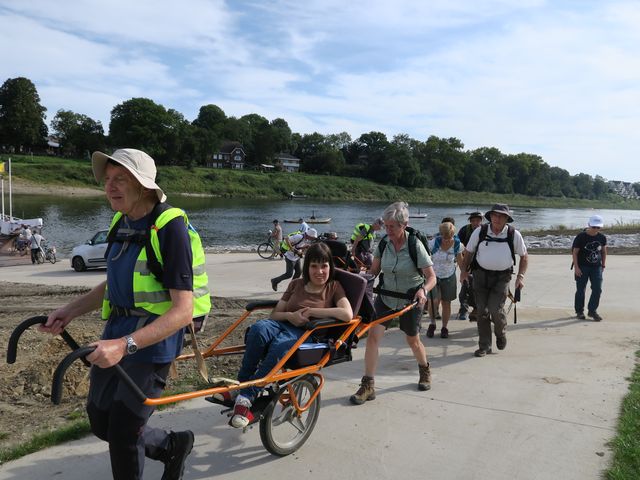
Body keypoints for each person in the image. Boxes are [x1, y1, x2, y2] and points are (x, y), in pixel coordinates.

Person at [39, 148, 199, 480]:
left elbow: (184, 311)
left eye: (120, 179)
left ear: (143, 185)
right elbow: (112, 283)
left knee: (125, 432)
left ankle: (163, 447)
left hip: (153, 340)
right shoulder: (120, 221)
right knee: (101, 421)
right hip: (117, 331)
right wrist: (69, 310)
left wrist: (123, 346)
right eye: (107, 179)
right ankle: (172, 445)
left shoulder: (169, 227)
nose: (109, 186)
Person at [228, 242, 353, 427]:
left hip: (308, 333)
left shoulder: (334, 287)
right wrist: (291, 316)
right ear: (307, 266)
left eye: (324, 266)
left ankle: (248, 394)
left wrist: (311, 312)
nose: (320, 271)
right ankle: (242, 385)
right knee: (258, 330)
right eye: (314, 266)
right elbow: (275, 315)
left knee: (280, 345)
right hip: (284, 323)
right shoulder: (296, 284)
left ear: (330, 266)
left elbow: (347, 314)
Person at [350, 202, 437, 405]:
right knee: (373, 337)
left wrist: (423, 290)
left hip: (411, 299)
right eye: (386, 226)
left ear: (404, 225)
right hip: (386, 297)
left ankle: (424, 369)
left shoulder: (415, 244)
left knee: (412, 341)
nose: (387, 230)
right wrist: (361, 275)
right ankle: (368, 385)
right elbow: (373, 272)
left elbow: (432, 277)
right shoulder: (384, 244)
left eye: (392, 227)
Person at [460, 204, 528, 357]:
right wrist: (464, 271)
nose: (497, 219)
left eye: (501, 216)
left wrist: (520, 277)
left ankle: (500, 332)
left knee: (495, 310)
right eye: (495, 215)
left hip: (502, 278)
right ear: (490, 216)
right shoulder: (480, 231)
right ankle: (484, 346)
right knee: (482, 311)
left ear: (506, 219)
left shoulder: (513, 234)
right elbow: (468, 252)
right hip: (480, 276)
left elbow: (524, 256)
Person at [426, 222, 463, 339]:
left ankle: (444, 327)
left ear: (453, 234)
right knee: (434, 301)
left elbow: (460, 261)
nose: (447, 240)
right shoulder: (432, 244)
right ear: (440, 234)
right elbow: (424, 259)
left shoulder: (458, 244)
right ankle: (432, 323)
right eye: (444, 237)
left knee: (446, 303)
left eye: (449, 237)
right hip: (433, 276)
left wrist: (464, 274)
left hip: (449, 276)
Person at [572, 215, 607, 321]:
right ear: (589, 225)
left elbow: (604, 251)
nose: (596, 229)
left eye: (598, 227)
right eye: (594, 227)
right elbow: (575, 252)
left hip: (596, 267)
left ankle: (592, 311)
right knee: (580, 290)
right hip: (582, 267)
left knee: (597, 289)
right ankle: (579, 311)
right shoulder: (581, 237)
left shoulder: (602, 237)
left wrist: (603, 264)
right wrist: (576, 267)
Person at [456, 211, 483, 320]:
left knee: (478, 287)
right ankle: (463, 309)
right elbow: (457, 244)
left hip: (481, 264)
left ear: (481, 221)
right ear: (470, 221)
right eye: (473, 221)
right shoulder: (465, 230)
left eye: (478, 220)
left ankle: (477, 308)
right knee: (465, 286)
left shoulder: (485, 231)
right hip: (467, 262)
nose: (476, 223)